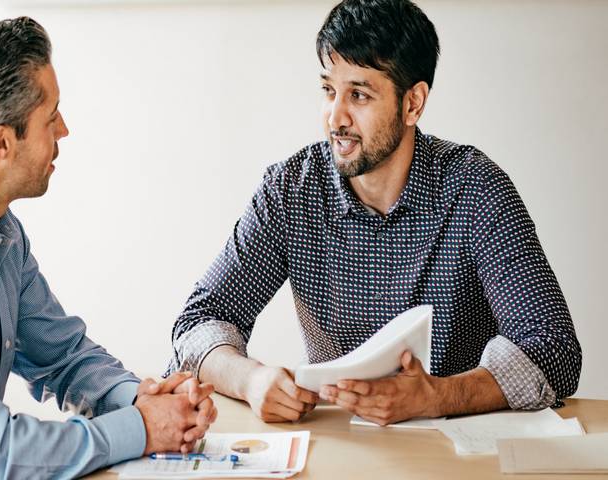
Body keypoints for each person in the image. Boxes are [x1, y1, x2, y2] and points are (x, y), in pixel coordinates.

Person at [169, 0, 581, 426]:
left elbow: (554, 349)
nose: (335, 117)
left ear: (413, 104)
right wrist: (250, 379)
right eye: (329, 90)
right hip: (339, 443)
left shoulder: (477, 188)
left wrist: (438, 396)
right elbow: (199, 321)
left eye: (359, 95)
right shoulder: (291, 190)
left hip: (457, 446)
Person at [0, 17, 216, 479]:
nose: (65, 130)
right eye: (51, 118)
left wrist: (141, 399)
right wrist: (141, 428)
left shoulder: (0, 234)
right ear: (3, 143)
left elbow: (63, 355)